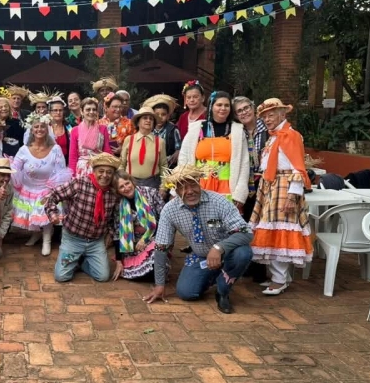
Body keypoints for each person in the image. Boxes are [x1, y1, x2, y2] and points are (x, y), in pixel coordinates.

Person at [144, 165, 253, 314]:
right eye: (183, 187)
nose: (190, 191)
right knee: (186, 292)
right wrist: (159, 285)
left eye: (193, 184)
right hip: (201, 256)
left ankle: (223, 290)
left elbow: (246, 232)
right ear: (175, 189)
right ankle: (216, 273)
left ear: (199, 182)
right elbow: (161, 248)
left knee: (243, 253)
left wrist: (219, 248)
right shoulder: (169, 211)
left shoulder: (219, 201)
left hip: (228, 253)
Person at [249, 98, 313, 296]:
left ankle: (279, 280)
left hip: (284, 186)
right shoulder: (275, 136)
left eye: (271, 115)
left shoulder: (290, 135)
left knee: (279, 232)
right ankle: (280, 277)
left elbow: (298, 167)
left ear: (282, 114)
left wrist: (292, 195)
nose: (267, 119)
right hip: (272, 186)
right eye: (264, 117)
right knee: (273, 230)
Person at [45, 153, 121, 283]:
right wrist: (53, 215)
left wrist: (110, 235)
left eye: (109, 172)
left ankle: (81, 261)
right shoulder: (80, 183)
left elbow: (113, 220)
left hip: (96, 241)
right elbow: (53, 196)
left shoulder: (113, 193)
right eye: (101, 171)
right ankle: (75, 258)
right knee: (61, 276)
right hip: (73, 238)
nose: (105, 175)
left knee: (103, 276)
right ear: (94, 171)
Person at [12, 113, 72, 256]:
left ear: (47, 129)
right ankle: (36, 233)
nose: (39, 129)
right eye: (36, 127)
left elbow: (61, 172)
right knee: (34, 213)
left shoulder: (55, 149)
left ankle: (47, 240)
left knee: (46, 209)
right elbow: (15, 168)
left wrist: (52, 190)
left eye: (43, 127)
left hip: (47, 188)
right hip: (29, 188)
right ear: (31, 130)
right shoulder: (24, 149)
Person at [179, 91, 249, 208]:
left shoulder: (237, 131)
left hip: (227, 188)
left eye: (227, 105)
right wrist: (183, 187)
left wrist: (240, 194)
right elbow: (184, 158)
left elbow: (244, 164)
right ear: (211, 106)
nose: (223, 108)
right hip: (199, 186)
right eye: (219, 105)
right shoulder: (197, 128)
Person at [233, 96, 269, 284]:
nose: (244, 112)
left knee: (261, 226)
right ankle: (247, 265)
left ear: (253, 108)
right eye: (239, 110)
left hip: (264, 184)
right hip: (244, 184)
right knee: (245, 224)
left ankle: (260, 270)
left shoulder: (267, 128)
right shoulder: (237, 131)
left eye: (246, 108)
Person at [111, 171, 166, 281]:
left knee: (156, 264)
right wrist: (118, 261)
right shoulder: (119, 205)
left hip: (156, 236)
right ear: (117, 191)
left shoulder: (150, 193)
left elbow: (165, 220)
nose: (126, 188)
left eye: (127, 183)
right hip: (134, 243)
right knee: (137, 275)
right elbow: (118, 234)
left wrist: (145, 239)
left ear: (132, 181)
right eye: (121, 187)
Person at [120, 107, 167, 190]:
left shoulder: (160, 142)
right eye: (145, 118)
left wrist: (163, 187)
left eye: (151, 119)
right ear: (138, 122)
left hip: (152, 184)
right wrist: (120, 182)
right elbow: (122, 164)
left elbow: (163, 166)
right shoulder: (129, 139)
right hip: (130, 183)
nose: (148, 120)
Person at [69, 97, 110, 176]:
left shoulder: (103, 129)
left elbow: (107, 151)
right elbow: (73, 157)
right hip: (81, 169)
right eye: (88, 109)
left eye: (94, 109)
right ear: (82, 111)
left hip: (99, 169)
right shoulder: (75, 130)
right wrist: (72, 175)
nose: (91, 112)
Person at [144, 94, 181, 167]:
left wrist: (177, 152)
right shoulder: (148, 130)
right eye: (157, 114)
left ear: (168, 116)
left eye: (163, 114)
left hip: (168, 165)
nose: (160, 117)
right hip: (150, 165)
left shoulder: (173, 130)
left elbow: (179, 147)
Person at [48, 96, 70, 164]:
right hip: (48, 163)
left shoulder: (69, 127)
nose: (58, 112)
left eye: (60, 110)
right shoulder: (45, 128)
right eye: (55, 110)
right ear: (50, 112)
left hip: (66, 163)